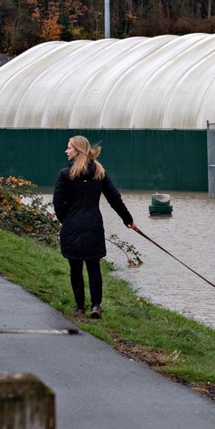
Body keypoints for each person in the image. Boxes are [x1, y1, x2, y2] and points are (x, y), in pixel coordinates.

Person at [53, 135, 136, 319]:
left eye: (69, 148)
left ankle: (80, 307)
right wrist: (127, 219)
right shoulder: (99, 173)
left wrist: (66, 220)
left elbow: (58, 203)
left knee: (75, 267)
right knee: (93, 266)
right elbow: (114, 198)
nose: (66, 151)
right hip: (93, 223)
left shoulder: (65, 175)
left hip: (72, 224)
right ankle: (96, 306)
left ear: (78, 150)